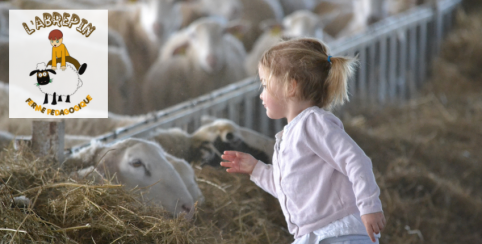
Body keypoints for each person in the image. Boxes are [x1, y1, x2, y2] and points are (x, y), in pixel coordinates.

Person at [220, 37, 385, 244]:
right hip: (316, 234)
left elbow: (355, 160)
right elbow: (292, 187)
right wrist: (256, 169)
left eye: (264, 85)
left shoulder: (313, 123)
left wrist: (369, 205)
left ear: (291, 87)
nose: (261, 95)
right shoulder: (293, 133)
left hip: (339, 233)